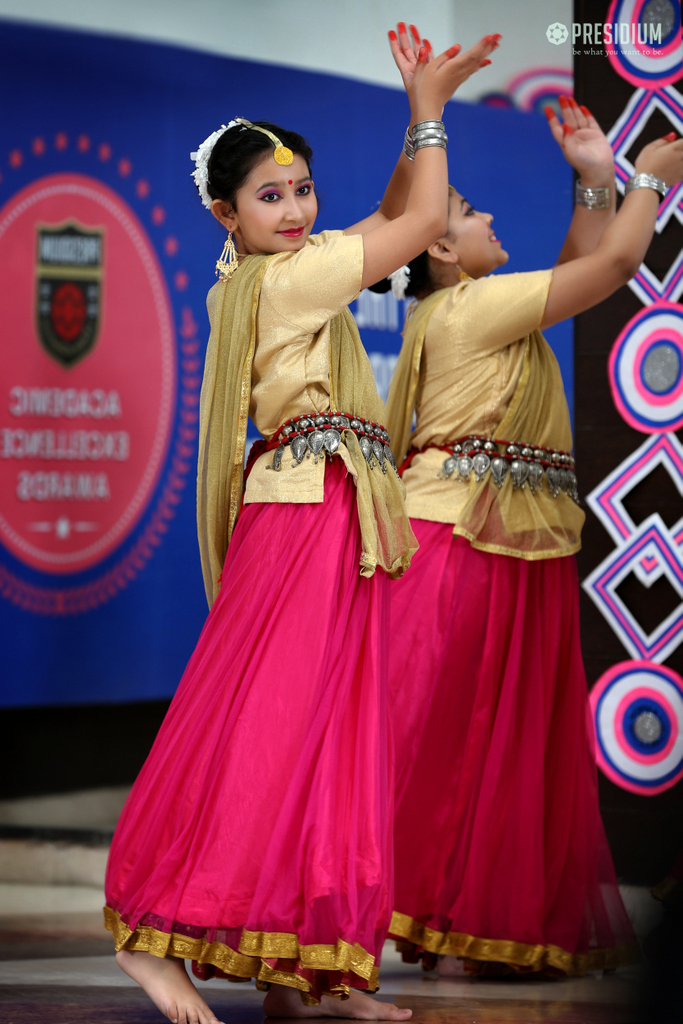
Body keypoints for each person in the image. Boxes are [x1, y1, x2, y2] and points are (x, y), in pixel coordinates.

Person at [102, 28, 500, 1024]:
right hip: (305, 515)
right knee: (266, 732)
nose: (292, 210)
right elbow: (412, 228)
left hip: (334, 511)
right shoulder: (280, 283)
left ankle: (303, 970)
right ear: (223, 215)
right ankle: (150, 930)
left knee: (332, 739)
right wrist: (424, 109)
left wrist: (423, 117)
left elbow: (387, 215)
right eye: (268, 197)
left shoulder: (284, 271)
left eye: (299, 190)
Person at [380, 68, 683, 976]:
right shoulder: (469, 309)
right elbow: (612, 266)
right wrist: (649, 181)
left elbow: (574, 263)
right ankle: (350, 905)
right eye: (469, 214)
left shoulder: (471, 308)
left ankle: (466, 920)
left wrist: (595, 175)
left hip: (506, 541)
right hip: (464, 543)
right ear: (439, 250)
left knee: (485, 742)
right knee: (443, 737)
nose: (484, 221)